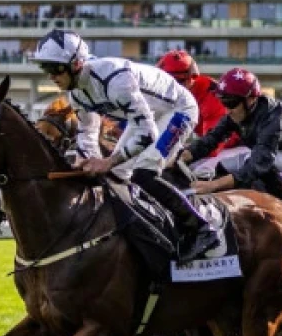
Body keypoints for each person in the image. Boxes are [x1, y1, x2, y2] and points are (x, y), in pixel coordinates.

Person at [31, 28, 221, 259]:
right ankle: (145, 228)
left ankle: (202, 228)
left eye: (55, 68)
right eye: (45, 68)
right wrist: (87, 160)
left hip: (178, 110)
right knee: (116, 176)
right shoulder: (77, 94)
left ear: (77, 63)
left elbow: (148, 133)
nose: (51, 76)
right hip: (147, 115)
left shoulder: (115, 79)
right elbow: (87, 132)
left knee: (144, 172)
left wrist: (108, 160)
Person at [180, 67, 282, 197]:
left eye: (231, 103)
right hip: (277, 155)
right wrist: (180, 157)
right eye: (223, 103)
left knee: (248, 160)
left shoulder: (274, 116)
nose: (227, 110)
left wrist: (213, 185)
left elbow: (260, 162)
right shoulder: (236, 114)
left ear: (251, 99)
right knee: (221, 166)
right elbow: (210, 140)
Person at [156, 49, 238, 154]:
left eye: (173, 82)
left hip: (234, 147)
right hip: (213, 145)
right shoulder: (175, 95)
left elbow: (213, 146)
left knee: (198, 167)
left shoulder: (212, 97)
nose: (166, 88)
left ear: (191, 78)